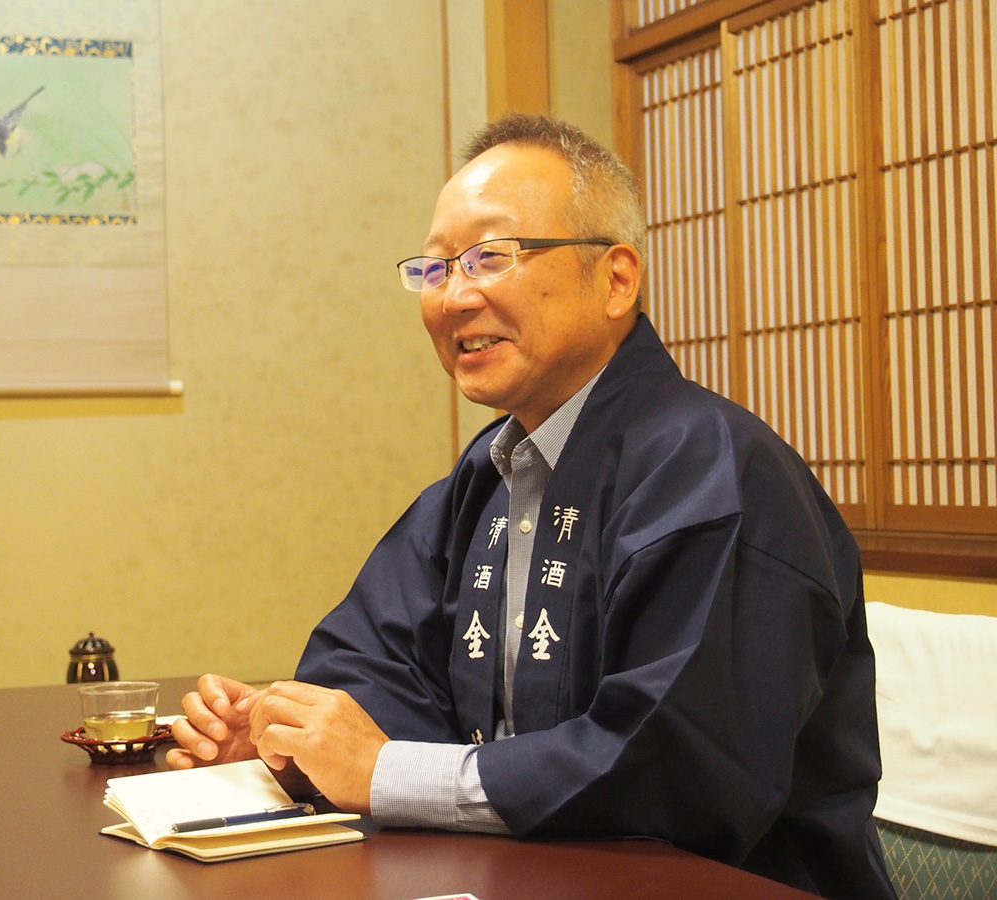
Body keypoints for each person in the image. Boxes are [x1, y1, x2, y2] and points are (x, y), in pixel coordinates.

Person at [167, 114, 897, 900]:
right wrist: (293, 740)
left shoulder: (714, 470)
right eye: (436, 268)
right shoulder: (482, 479)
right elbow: (371, 666)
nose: (454, 296)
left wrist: (382, 770)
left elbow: (678, 768)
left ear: (617, 278)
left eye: (490, 257)